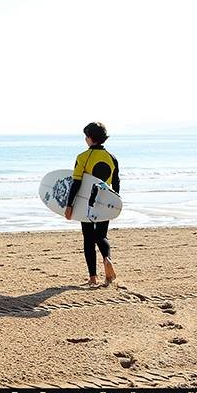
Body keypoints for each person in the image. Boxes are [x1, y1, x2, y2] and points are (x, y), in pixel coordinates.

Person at [64, 121, 120, 287]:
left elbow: (76, 183)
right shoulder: (112, 157)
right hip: (106, 202)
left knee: (88, 238)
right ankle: (107, 259)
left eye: (86, 136)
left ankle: (93, 277)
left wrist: (69, 205)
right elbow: (116, 182)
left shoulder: (82, 157)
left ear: (89, 137)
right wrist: (116, 202)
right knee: (101, 235)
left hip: (86, 203)